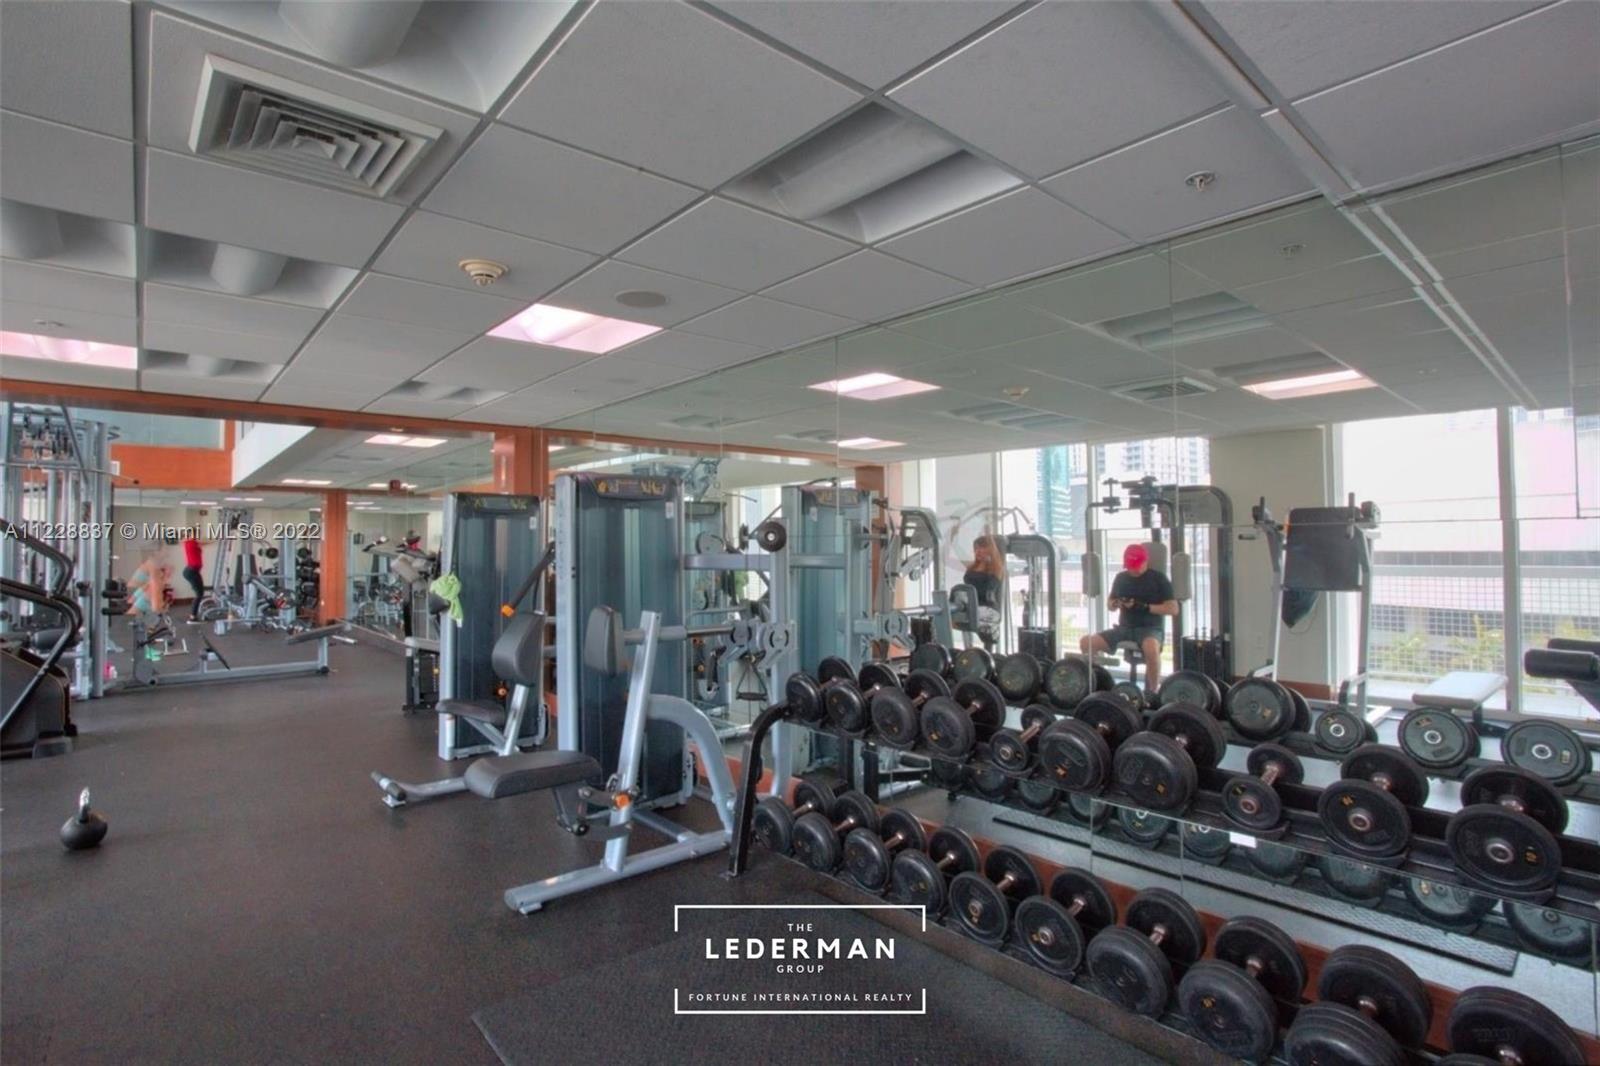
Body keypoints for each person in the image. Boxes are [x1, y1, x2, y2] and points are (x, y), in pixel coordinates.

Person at [1080, 543, 1177, 695]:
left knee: (1151, 648)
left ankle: (1152, 692)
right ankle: (1098, 683)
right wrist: (1115, 603)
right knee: (1086, 642)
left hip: (1149, 629)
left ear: (1145, 561)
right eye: (1130, 567)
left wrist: (1145, 607)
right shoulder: (1121, 578)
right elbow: (1110, 604)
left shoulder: (1159, 579)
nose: (1133, 570)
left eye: (1136, 566)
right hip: (1124, 629)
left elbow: (1173, 609)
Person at [961, 534, 1005, 649]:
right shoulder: (971, 567)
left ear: (990, 550)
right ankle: (968, 651)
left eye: (982, 547)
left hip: (989, 610)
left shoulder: (996, 568)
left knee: (966, 615)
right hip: (972, 608)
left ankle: (981, 651)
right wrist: (952, 537)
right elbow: (958, 553)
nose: (978, 551)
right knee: (951, 614)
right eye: (976, 548)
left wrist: (989, 534)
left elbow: (996, 556)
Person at [180, 534, 206, 620]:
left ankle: (193, 614)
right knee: (199, 594)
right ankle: (192, 616)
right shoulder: (190, 542)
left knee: (199, 592)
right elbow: (205, 541)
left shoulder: (192, 543)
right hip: (191, 571)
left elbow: (203, 543)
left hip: (192, 571)